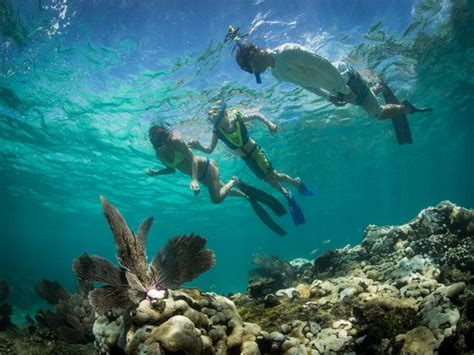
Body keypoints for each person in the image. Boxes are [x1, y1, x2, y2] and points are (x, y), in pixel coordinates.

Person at [146, 124, 288, 236]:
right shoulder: (159, 155)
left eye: (162, 137)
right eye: (157, 141)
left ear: (165, 134)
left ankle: (234, 181)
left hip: (207, 167)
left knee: (216, 198)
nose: (162, 142)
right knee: (221, 190)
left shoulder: (175, 141)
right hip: (201, 177)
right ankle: (245, 195)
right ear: (154, 142)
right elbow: (172, 169)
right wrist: (156, 173)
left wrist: (194, 180)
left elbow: (193, 159)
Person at [188, 102, 313, 226]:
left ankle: (295, 184)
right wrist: (199, 147)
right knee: (268, 180)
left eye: (219, 119)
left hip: (256, 152)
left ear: (225, 114)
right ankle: (287, 192)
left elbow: (257, 115)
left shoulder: (237, 118)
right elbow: (209, 150)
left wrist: (270, 124)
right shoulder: (217, 132)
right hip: (247, 159)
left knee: (273, 176)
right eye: (214, 122)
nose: (218, 123)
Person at [233, 41, 431, 120]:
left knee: (377, 114)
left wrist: (343, 89)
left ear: (254, 55)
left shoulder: (287, 52)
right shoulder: (277, 73)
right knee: (363, 100)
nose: (251, 72)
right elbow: (306, 84)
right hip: (336, 87)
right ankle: (379, 87)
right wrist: (330, 97)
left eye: (247, 67)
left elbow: (323, 65)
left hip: (343, 76)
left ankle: (406, 108)